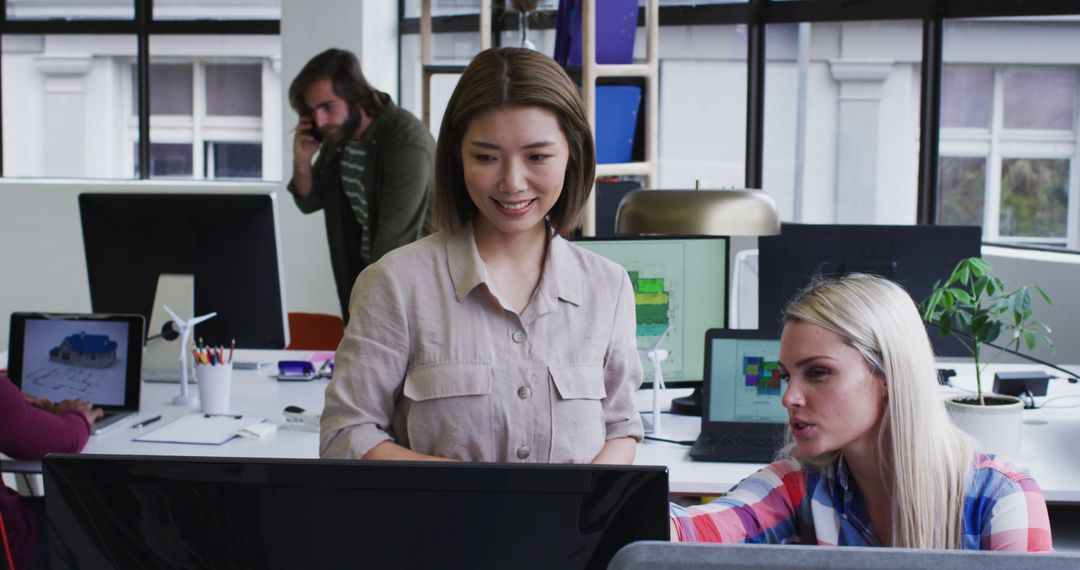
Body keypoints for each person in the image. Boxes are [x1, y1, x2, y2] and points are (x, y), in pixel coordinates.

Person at [319, 47, 643, 464]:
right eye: (486, 157)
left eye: (537, 156)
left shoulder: (608, 286)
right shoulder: (395, 283)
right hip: (442, 527)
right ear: (457, 156)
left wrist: (584, 510)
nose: (512, 182)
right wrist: (472, 494)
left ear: (573, 153)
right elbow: (345, 435)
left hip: (570, 530)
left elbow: (621, 427)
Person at [671, 274, 1052, 551]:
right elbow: (696, 529)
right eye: (787, 376)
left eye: (818, 373)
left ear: (888, 375)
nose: (789, 398)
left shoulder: (1002, 500)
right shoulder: (800, 484)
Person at [288, 48, 435, 320]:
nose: (319, 121)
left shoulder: (407, 143)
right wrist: (301, 162)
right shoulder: (341, 136)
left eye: (327, 107)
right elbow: (310, 199)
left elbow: (395, 242)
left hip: (411, 296)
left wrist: (365, 317)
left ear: (356, 95)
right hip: (370, 287)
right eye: (312, 111)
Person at [0, 372, 102, 569]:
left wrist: (13, 403)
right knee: (99, 516)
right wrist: (78, 415)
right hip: (14, 550)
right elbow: (60, 440)